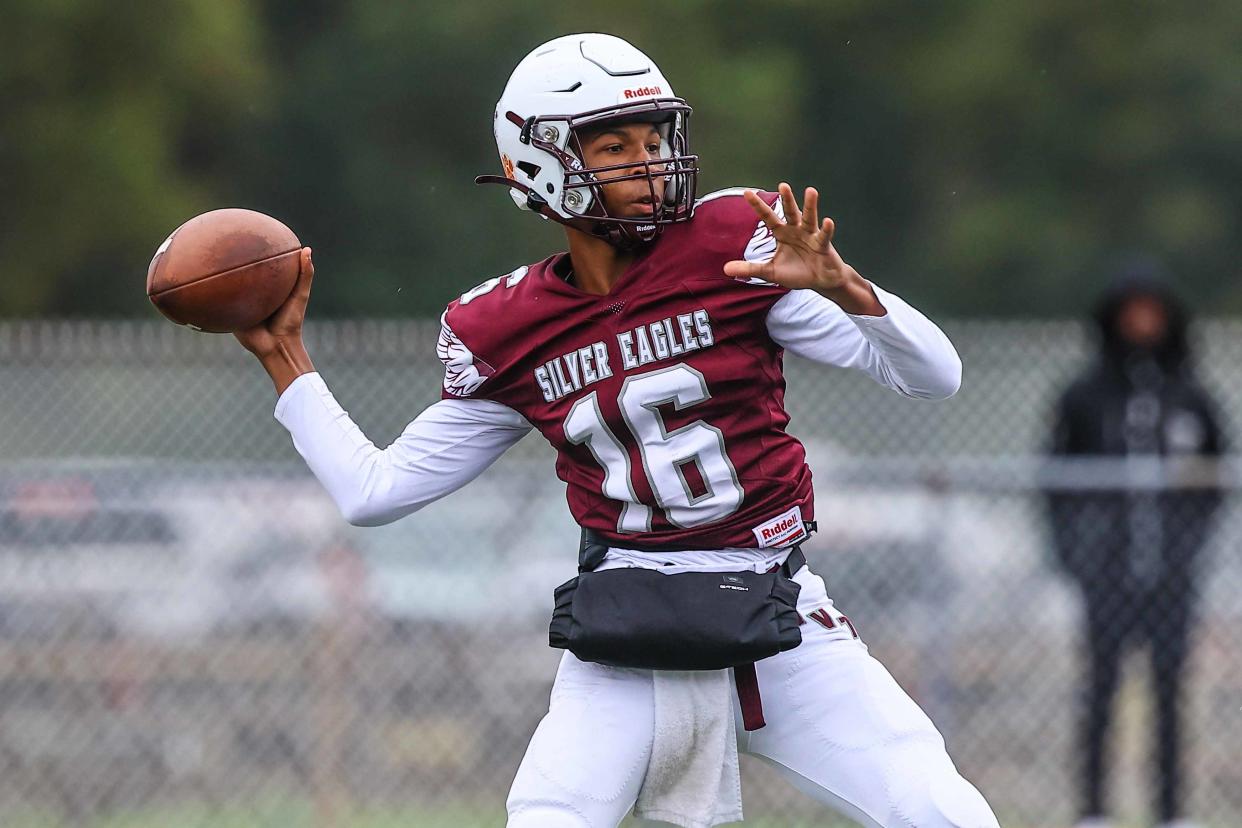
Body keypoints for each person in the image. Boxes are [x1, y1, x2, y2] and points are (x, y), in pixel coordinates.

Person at [235, 33, 999, 828]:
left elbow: (932, 376)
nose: (649, 161)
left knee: (943, 814)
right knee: (546, 817)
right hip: (629, 633)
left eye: (654, 138)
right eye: (615, 145)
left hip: (778, 615)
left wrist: (848, 287)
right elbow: (374, 492)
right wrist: (284, 356)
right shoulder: (504, 325)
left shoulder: (733, 249)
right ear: (541, 164)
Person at [1047, 265, 1226, 828]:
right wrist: (1077, 558)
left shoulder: (1191, 395)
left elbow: (1217, 479)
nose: (1142, 322)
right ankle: (1094, 810)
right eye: (1132, 311)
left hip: (1171, 574)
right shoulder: (1084, 394)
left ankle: (1172, 813)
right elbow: (1054, 482)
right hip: (1107, 572)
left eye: (1152, 311)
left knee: (1171, 693)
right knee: (1100, 689)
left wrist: (1190, 547)